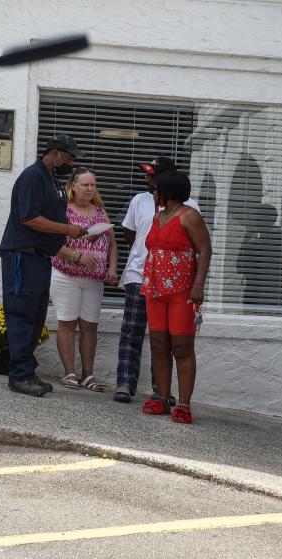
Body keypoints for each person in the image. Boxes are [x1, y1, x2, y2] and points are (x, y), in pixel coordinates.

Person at [0, 134, 86, 397]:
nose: (71, 163)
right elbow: (30, 219)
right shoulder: (33, 177)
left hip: (39, 257)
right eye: (69, 157)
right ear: (56, 153)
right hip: (21, 257)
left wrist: (69, 244)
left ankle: (26, 371)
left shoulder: (51, 180)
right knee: (22, 314)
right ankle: (19, 376)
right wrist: (68, 229)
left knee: (36, 317)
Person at [113, 156, 199, 403]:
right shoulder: (140, 200)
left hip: (176, 284)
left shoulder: (189, 207)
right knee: (133, 331)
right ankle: (125, 384)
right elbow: (130, 233)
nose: (148, 178)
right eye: (148, 174)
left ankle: (162, 391)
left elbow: (197, 244)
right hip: (139, 275)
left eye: (153, 174)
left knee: (168, 339)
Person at [140, 171, 211, 424]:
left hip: (182, 290)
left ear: (167, 191)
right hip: (155, 289)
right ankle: (161, 396)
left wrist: (199, 284)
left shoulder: (189, 215)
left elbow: (205, 249)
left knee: (181, 347)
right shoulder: (158, 216)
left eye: (156, 189)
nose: (154, 193)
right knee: (158, 344)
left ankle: (183, 402)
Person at [49, 167, 118, 391]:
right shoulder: (63, 210)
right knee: (67, 323)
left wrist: (113, 268)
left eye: (93, 185)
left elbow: (113, 244)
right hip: (67, 275)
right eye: (85, 185)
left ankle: (88, 375)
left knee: (90, 326)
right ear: (73, 186)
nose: (90, 189)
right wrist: (78, 257)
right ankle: (70, 373)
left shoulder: (100, 212)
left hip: (94, 281)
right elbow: (53, 244)